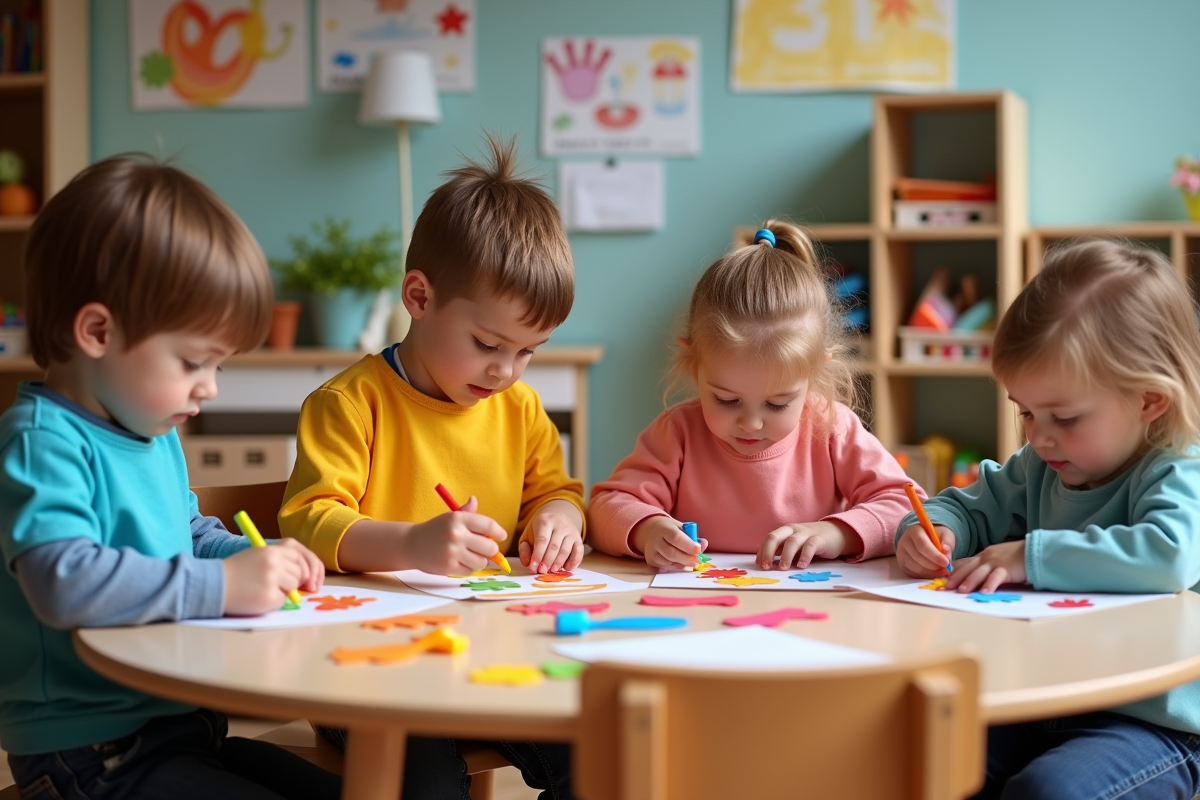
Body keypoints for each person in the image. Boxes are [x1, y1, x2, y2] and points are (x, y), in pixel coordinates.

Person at [0, 155, 338, 800]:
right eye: (192, 362)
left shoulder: (153, 431)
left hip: (180, 726)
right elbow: (62, 582)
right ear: (97, 331)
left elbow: (188, 532)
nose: (209, 387)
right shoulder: (42, 443)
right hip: (89, 753)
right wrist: (221, 584)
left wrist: (251, 556)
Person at [280, 136, 582, 799]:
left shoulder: (521, 409)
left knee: (599, 756)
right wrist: (413, 544)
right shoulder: (348, 403)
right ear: (418, 296)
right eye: (488, 345)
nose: (506, 371)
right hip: (362, 669)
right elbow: (307, 523)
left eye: (529, 351)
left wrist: (558, 516)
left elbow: (553, 491)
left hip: (492, 655)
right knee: (425, 783)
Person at [896, 238, 1200, 800]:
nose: (1038, 436)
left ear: (1149, 400)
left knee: (1051, 792)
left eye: (1063, 416)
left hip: (1157, 724)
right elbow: (963, 505)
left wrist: (1030, 555)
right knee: (927, 756)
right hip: (1047, 695)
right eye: (1026, 412)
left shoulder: (1180, 469)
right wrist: (933, 530)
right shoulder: (1041, 464)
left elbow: (1169, 555)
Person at [589, 222, 914, 570]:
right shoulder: (677, 433)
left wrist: (836, 533)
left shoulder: (833, 428)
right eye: (727, 400)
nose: (751, 422)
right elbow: (605, 507)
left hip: (812, 615)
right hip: (702, 609)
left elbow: (906, 508)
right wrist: (647, 530)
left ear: (816, 372)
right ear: (693, 363)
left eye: (778, 403)